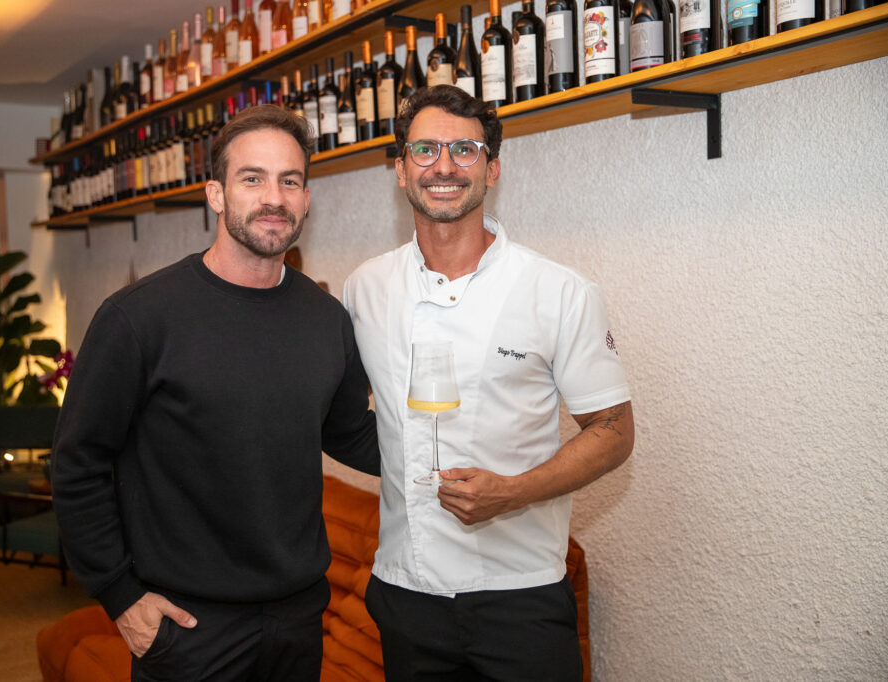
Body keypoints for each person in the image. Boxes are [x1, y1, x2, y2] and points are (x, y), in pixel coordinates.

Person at [52, 104, 379, 682]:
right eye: (252, 179)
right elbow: (78, 463)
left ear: (306, 199)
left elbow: (351, 432)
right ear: (216, 195)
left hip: (298, 618)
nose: (274, 198)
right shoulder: (139, 318)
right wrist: (119, 595)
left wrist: (464, 444)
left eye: (290, 181)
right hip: (188, 628)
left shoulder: (327, 319)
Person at [343, 85, 635, 681]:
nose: (444, 166)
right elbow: (338, 411)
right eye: (425, 149)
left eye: (465, 150)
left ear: (492, 169)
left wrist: (515, 491)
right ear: (400, 169)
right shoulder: (364, 288)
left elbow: (613, 431)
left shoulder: (559, 291)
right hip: (405, 594)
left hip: (520, 597)